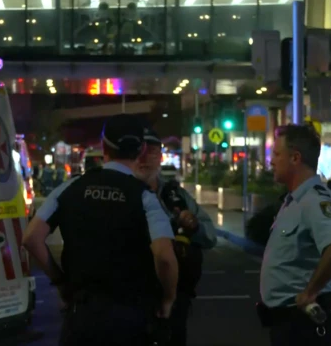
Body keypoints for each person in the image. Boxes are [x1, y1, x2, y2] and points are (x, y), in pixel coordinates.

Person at [22, 114, 179, 346]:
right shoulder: (145, 197)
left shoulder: (70, 188)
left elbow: (31, 238)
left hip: (81, 316)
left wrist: (61, 283)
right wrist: (168, 299)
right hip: (131, 318)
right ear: (142, 149)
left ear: (103, 146)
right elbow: (164, 256)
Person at [257, 124, 331, 346]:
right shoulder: (294, 201)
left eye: (277, 154)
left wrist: (310, 292)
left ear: (295, 158)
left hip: (305, 325)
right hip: (288, 324)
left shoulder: (315, 201)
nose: (271, 161)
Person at [135, 126, 218, 346]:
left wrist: (192, 225)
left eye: (151, 151)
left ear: (160, 157)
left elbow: (210, 236)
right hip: (131, 300)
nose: (144, 158)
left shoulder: (175, 195)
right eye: (138, 151)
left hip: (175, 301)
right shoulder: (121, 193)